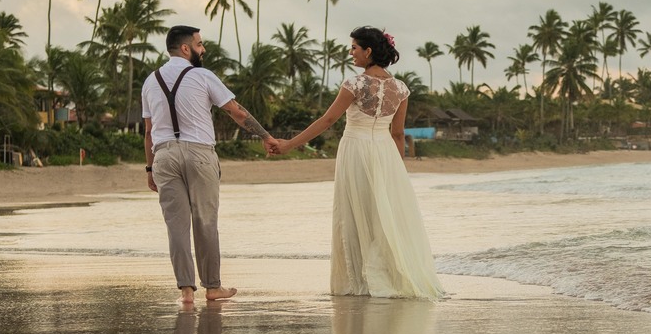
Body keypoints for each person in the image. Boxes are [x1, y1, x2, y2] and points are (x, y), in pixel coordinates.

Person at [268, 26, 444, 300]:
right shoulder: (400, 88)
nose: (351, 53)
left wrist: (288, 144)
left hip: (356, 150)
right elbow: (398, 134)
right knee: (382, 216)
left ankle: (358, 282)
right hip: (386, 154)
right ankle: (388, 277)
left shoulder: (355, 84)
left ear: (368, 51)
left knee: (353, 214)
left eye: (354, 48)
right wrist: (397, 173)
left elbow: (327, 121)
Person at [143, 24, 278, 305]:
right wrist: (266, 136)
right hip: (199, 153)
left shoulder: (150, 81)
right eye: (199, 44)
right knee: (205, 221)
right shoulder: (202, 75)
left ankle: (186, 291)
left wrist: (149, 168)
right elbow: (236, 111)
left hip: (164, 156)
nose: (202, 49)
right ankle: (213, 288)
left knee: (176, 226)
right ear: (185, 48)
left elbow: (148, 130)